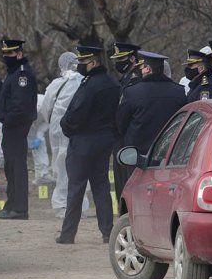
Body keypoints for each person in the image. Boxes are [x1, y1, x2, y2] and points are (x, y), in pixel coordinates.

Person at [56, 45, 120, 244]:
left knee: (76, 187)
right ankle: (107, 232)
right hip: (104, 140)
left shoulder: (90, 84)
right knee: (101, 186)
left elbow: (76, 113)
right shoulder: (112, 83)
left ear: (92, 62)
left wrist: (65, 126)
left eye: (83, 62)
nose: (80, 66)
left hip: (83, 141)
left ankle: (68, 234)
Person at [39, 52, 90, 218]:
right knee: (80, 166)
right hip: (80, 128)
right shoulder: (85, 82)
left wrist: (52, 122)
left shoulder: (56, 84)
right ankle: (80, 205)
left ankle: (62, 204)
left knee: (61, 166)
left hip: (58, 128)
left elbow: (45, 108)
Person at [0, 39, 37, 220]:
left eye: (10, 53)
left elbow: (20, 106)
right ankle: (12, 205)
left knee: (17, 167)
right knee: (11, 167)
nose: (6, 57)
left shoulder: (21, 75)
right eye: (4, 53)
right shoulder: (13, 72)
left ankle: (19, 208)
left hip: (16, 127)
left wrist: (8, 121)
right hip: (11, 127)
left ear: (19, 54)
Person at [117, 51, 186, 156]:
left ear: (148, 69)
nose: (141, 71)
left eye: (142, 68)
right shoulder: (178, 91)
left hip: (137, 154)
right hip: (169, 152)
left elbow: (121, 124)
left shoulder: (131, 92)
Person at [109, 42, 141, 202]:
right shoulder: (126, 79)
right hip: (121, 137)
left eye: (122, 58)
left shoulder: (136, 79)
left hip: (128, 137)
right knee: (121, 182)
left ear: (132, 58)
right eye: (117, 59)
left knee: (126, 182)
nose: (118, 63)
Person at [28, 93, 54, 185]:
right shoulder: (31, 103)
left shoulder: (50, 107)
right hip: (24, 123)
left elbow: (48, 122)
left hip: (38, 123)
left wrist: (39, 135)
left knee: (40, 146)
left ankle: (42, 175)